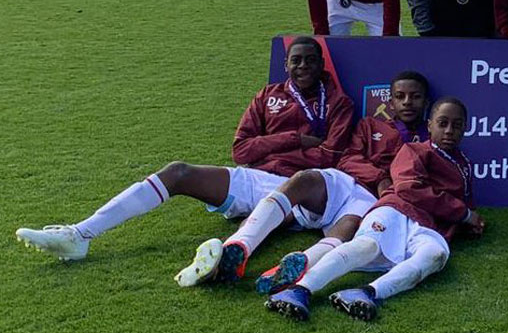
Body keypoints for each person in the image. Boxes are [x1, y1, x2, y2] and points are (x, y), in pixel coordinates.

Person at [16, 38, 354, 277]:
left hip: (304, 191)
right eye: (296, 60)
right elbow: (241, 150)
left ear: (321, 63)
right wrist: (295, 139)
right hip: (256, 178)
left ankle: (227, 260)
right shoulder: (267, 96)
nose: (303, 66)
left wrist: (272, 145)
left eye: (310, 60)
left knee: (249, 235)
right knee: (178, 172)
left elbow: (329, 156)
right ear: (286, 65)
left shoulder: (339, 103)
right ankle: (79, 235)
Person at [266, 97, 484, 322]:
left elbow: (462, 207)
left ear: (465, 129)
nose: (449, 131)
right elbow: (409, 188)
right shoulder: (413, 150)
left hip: (428, 226)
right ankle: (300, 290)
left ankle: (367, 292)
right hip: (396, 210)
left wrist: (470, 223)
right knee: (366, 246)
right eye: (443, 123)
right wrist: (464, 214)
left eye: (456, 126)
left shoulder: (463, 164)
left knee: (436, 255)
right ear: (429, 125)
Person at [250, 71, 432, 295]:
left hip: (375, 199)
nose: (407, 102)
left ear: (426, 102)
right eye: (400, 96)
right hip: (348, 182)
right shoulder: (370, 125)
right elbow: (348, 158)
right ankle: (238, 245)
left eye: (415, 97)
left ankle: (303, 262)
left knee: (350, 224)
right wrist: (380, 177)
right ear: (390, 103)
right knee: (298, 193)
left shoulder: (430, 140)